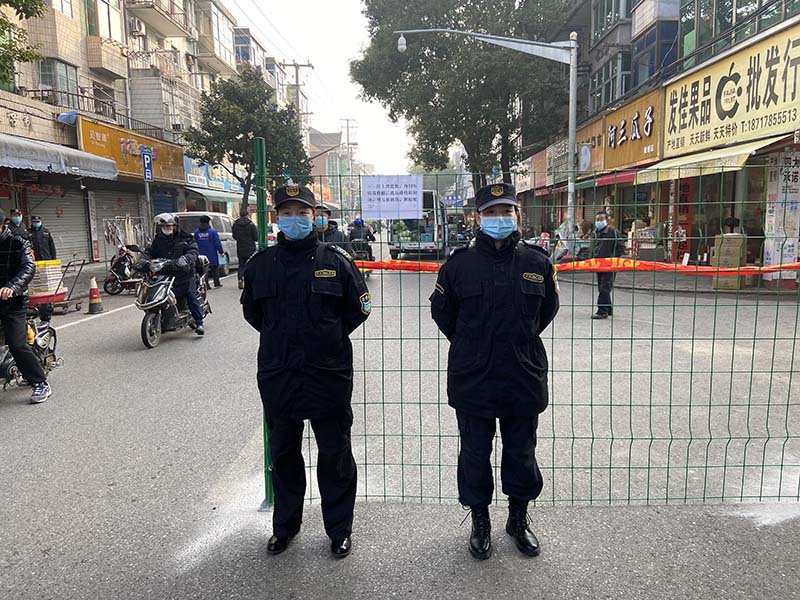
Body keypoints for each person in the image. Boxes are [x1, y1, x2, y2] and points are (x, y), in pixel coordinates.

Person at [430, 182, 559, 561]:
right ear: (478, 217)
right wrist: (473, 344)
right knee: (474, 453)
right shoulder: (459, 265)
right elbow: (443, 314)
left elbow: (546, 310)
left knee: (522, 452)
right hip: (473, 377)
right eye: (491, 212)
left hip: (522, 374)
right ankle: (480, 521)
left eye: (506, 211)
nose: (499, 218)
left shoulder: (537, 262)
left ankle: (518, 520)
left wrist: (518, 340)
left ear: (517, 215)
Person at [241, 185, 371, 559]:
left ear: (316, 217)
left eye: (302, 212)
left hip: (327, 374)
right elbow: (253, 313)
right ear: (276, 217)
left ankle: (339, 530)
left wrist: (326, 337)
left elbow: (358, 309)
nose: (294, 219)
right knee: (283, 454)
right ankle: (285, 527)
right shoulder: (261, 264)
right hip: (279, 375)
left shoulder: (337, 260)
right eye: (287, 213)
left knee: (335, 454)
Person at [0, 208, 52, 404]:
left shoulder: (18, 242)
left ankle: (40, 382)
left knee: (17, 344)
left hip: (13, 301)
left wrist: (12, 287)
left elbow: (28, 267)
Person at [139, 215, 205, 335]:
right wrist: (142, 260)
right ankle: (163, 319)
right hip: (164, 274)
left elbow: (193, 251)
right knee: (154, 294)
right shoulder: (158, 240)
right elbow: (149, 252)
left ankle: (199, 322)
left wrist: (186, 259)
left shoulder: (186, 238)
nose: (167, 228)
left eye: (169, 226)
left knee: (190, 295)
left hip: (184, 275)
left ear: (175, 226)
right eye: (164, 226)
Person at [591, 209, 625, 319]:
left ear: (606, 220)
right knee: (602, 287)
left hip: (610, 265)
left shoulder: (613, 232)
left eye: (601, 219)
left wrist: (614, 258)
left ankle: (602, 311)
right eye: (597, 219)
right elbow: (593, 248)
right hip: (598, 264)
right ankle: (608, 308)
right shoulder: (595, 233)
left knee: (605, 287)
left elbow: (621, 247)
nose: (599, 222)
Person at [193, 215, 224, 288]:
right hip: (212, 253)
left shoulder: (196, 232)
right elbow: (217, 242)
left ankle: (206, 284)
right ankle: (217, 283)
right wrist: (221, 251)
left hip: (201, 254)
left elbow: (194, 243)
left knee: (204, 270)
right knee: (215, 268)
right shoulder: (212, 232)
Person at [232, 208, 258, 290]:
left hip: (240, 247)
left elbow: (234, 236)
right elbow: (255, 237)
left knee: (241, 265)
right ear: (247, 215)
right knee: (251, 264)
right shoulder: (251, 224)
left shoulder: (235, 224)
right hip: (250, 247)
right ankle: (250, 281)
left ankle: (240, 279)